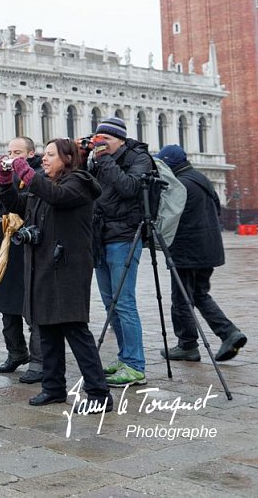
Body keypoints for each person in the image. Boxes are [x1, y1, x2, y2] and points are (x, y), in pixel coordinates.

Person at [0, 138, 112, 409]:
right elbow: (18, 206)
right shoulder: (43, 185)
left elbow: (57, 197)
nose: (45, 159)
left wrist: (24, 170)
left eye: (51, 155)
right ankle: (53, 387)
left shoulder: (79, 183)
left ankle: (98, 394)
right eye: (44, 155)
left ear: (68, 158)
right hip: (43, 266)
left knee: (75, 330)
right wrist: (4, 179)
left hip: (68, 268)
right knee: (46, 329)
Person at [157, 145, 247, 362]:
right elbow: (217, 210)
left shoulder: (180, 185)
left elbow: (170, 217)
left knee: (181, 299)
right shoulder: (200, 179)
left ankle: (187, 345)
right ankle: (228, 333)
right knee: (198, 294)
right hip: (208, 249)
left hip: (188, 251)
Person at [87, 117, 152, 387]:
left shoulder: (139, 158)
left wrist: (103, 158)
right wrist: (85, 156)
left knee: (124, 302)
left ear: (121, 140)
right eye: (98, 140)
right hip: (101, 237)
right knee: (110, 303)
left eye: (107, 140)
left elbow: (129, 188)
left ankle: (135, 365)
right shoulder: (100, 161)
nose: (101, 144)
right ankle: (125, 358)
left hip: (126, 236)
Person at [0, 137, 44, 384]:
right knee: (6, 303)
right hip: (5, 246)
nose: (11, 156)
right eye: (9, 151)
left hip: (27, 246)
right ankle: (16, 352)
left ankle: (39, 360)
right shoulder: (4, 175)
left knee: (32, 306)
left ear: (31, 153)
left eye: (17, 152)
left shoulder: (37, 174)